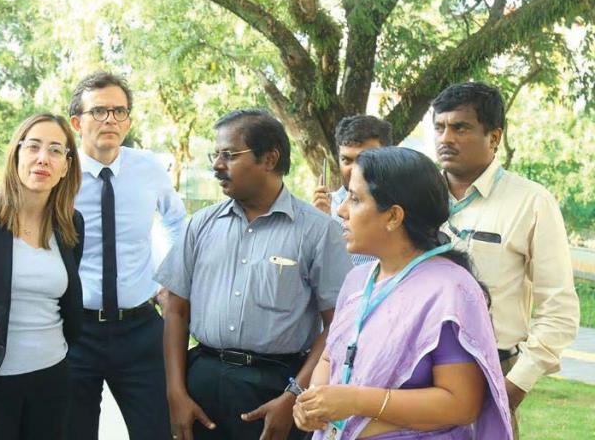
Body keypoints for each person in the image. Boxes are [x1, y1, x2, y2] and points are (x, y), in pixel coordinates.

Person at [156, 109, 353, 440]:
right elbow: (175, 310)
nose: (217, 165)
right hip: (202, 382)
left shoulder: (318, 232)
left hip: (275, 388)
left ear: (269, 158)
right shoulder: (201, 225)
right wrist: (176, 391)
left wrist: (293, 397)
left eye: (229, 155)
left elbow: (338, 325)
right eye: (215, 155)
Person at [294, 147, 512, 439]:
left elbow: (461, 404)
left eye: (355, 199)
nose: (341, 210)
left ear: (394, 216)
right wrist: (313, 403)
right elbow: (332, 357)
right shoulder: (358, 279)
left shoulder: (449, 291)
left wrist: (356, 400)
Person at [432, 82, 580, 436]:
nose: (446, 138)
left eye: (460, 127)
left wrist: (513, 387)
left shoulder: (531, 202)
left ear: (494, 137)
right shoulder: (417, 196)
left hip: (492, 371)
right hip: (418, 373)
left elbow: (559, 309)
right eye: (440, 127)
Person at [66, 71, 186, 439]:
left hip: (139, 329)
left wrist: (171, 278)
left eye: (119, 112)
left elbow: (176, 223)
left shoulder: (148, 169)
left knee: (155, 430)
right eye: (99, 112)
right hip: (75, 331)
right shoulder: (59, 172)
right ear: (77, 122)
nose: (111, 121)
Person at [0, 113, 83, 439]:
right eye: (33, 146)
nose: (42, 158)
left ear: (66, 165)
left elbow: (68, 299)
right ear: (16, 153)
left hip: (53, 377)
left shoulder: (71, 223)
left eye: (55, 150)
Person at [312, 115, 392, 265]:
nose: (355, 168)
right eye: (346, 160)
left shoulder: (405, 206)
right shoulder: (323, 209)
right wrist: (321, 227)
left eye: (366, 159)